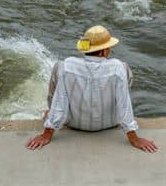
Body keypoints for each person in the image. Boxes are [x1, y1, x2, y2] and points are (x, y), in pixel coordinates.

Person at [26, 25, 158, 153]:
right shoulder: (117, 67)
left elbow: (60, 101)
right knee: (125, 68)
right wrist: (134, 139)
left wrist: (46, 135)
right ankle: (114, 116)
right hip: (110, 123)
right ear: (103, 51)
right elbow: (124, 105)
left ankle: (50, 112)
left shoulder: (68, 65)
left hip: (72, 123)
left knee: (58, 67)